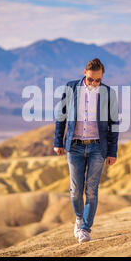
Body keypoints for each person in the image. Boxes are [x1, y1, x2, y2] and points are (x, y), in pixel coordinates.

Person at [54, 58, 119, 243]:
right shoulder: (71, 88)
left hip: (98, 147)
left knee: (91, 190)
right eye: (91, 79)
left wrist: (112, 152)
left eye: (98, 80)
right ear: (85, 73)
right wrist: (58, 142)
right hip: (74, 146)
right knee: (75, 190)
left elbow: (114, 124)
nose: (94, 83)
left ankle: (85, 229)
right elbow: (61, 117)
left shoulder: (108, 93)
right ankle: (79, 217)